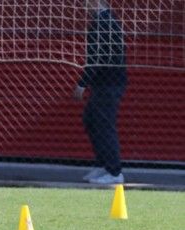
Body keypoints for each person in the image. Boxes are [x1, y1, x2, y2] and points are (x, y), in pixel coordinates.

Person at [75, 0, 127, 185]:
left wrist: (82, 83)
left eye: (84, 3)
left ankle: (114, 172)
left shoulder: (105, 22)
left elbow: (97, 57)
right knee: (91, 121)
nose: (82, 6)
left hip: (109, 84)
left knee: (104, 125)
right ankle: (103, 165)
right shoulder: (101, 21)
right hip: (103, 84)